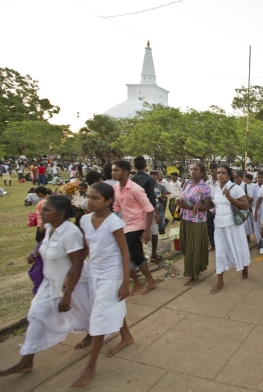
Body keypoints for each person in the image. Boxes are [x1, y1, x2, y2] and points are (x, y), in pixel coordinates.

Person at [0, 195, 90, 378]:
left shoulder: (70, 233)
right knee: (35, 314)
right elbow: (46, 248)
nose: (41, 212)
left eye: (46, 210)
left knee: (89, 314)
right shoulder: (49, 228)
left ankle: (95, 334)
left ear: (61, 213)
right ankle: (26, 362)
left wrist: (68, 294)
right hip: (50, 282)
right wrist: (35, 255)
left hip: (73, 284)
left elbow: (78, 263)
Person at [72, 183, 133, 387]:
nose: (89, 201)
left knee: (98, 317)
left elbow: (125, 252)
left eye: (95, 198)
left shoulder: (114, 223)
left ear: (108, 201)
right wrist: (75, 271)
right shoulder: (84, 220)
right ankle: (126, 336)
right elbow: (87, 248)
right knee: (109, 306)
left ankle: (90, 366)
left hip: (112, 274)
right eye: (88, 197)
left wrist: (125, 282)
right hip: (93, 273)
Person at [111, 160, 157, 296]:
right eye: (112, 170)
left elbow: (149, 209)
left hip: (138, 225)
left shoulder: (136, 189)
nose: (112, 173)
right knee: (133, 253)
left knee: (130, 253)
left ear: (126, 172)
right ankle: (141, 282)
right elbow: (116, 208)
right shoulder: (116, 188)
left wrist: (147, 231)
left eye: (116, 170)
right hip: (125, 225)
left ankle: (148, 281)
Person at [210, 164, 250, 294]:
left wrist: (229, 197)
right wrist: (213, 210)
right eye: (218, 173)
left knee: (238, 248)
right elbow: (215, 203)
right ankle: (220, 282)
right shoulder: (215, 187)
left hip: (232, 225)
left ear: (228, 175)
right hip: (219, 225)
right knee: (220, 253)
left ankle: (245, 267)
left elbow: (245, 205)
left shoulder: (235, 188)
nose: (220, 175)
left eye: (223, 173)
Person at [176, 163, 211, 286]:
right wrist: (179, 201)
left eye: (196, 170)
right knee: (185, 245)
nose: (192, 172)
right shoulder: (188, 184)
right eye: (191, 169)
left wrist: (188, 206)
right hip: (185, 218)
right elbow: (184, 198)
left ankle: (194, 274)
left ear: (202, 173)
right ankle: (196, 267)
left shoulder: (204, 187)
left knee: (193, 247)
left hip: (197, 221)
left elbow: (207, 206)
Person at [131, 157, 160, 262]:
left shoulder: (132, 179)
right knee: (154, 231)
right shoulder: (149, 179)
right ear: (145, 166)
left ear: (134, 166)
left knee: (138, 232)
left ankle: (141, 256)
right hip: (148, 209)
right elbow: (152, 198)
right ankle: (153, 254)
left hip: (136, 209)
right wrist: (157, 213)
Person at [150, 170, 169, 236]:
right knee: (151, 230)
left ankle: (162, 243)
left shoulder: (161, 187)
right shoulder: (147, 187)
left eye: (155, 175)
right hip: (150, 210)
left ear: (157, 176)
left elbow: (163, 201)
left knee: (161, 228)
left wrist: (158, 196)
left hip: (159, 209)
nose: (153, 176)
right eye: (151, 174)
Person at [206, 163, 218, 251]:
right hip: (209, 208)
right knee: (210, 227)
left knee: (218, 227)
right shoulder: (208, 182)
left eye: (213, 171)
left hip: (219, 208)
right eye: (210, 171)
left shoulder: (221, 181)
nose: (212, 173)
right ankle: (213, 244)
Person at [251, 171, 263, 248]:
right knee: (256, 227)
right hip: (256, 209)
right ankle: (259, 242)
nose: (260, 179)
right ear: (256, 178)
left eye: (261, 177)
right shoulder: (253, 187)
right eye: (258, 177)